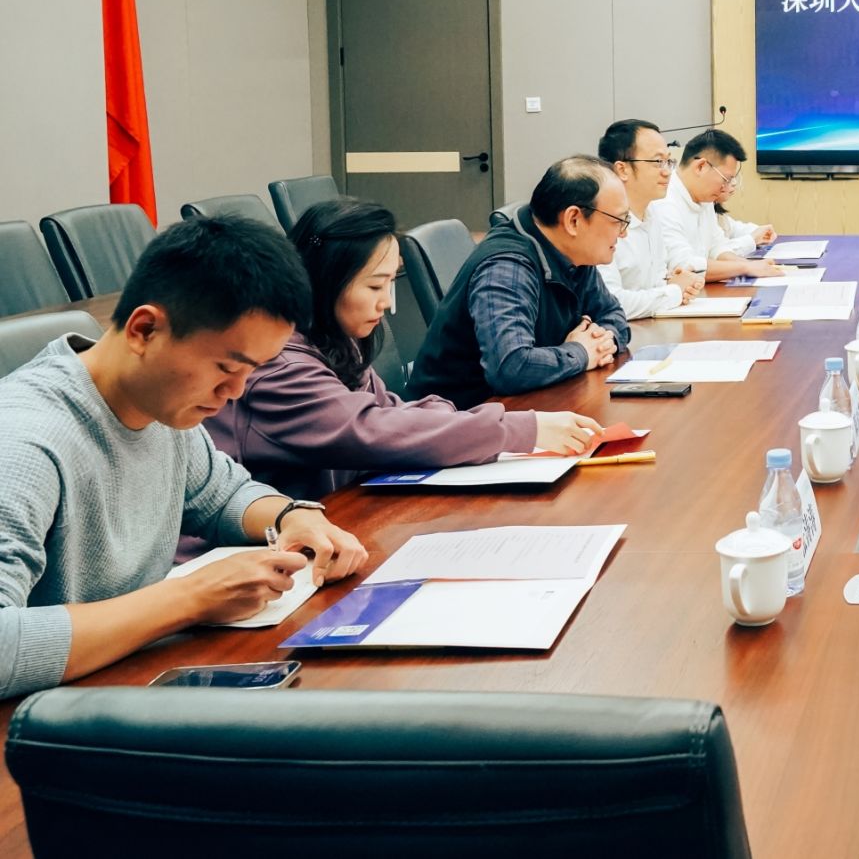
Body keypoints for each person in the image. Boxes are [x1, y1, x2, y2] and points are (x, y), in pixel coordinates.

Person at [0, 216, 368, 699]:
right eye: (226, 367)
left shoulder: (159, 405)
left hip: (119, 686)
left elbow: (222, 494)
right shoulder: (23, 444)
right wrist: (192, 598)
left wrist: (292, 516)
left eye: (251, 371)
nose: (235, 391)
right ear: (144, 329)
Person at [206, 198, 602, 496]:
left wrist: (464, 421)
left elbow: (388, 410)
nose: (388, 304)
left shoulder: (336, 341)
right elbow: (373, 430)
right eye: (375, 286)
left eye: (390, 283)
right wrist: (520, 429)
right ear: (325, 281)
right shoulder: (277, 365)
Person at [409, 157, 633, 408]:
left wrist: (602, 342)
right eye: (618, 221)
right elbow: (511, 367)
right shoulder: (507, 268)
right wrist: (581, 352)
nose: (624, 232)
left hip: (522, 406)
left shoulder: (574, 253)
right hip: (456, 417)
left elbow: (614, 315)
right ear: (573, 220)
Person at [597, 118, 708, 318]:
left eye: (668, 162)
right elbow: (610, 301)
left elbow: (656, 282)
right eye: (658, 162)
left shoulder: (652, 213)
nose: (667, 172)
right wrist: (674, 291)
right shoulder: (600, 221)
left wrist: (675, 282)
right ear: (622, 169)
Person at [650, 128, 778, 283]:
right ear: (701, 167)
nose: (726, 187)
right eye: (726, 179)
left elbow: (717, 247)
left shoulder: (704, 198)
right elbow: (684, 265)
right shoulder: (664, 202)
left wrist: (751, 265)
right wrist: (745, 268)